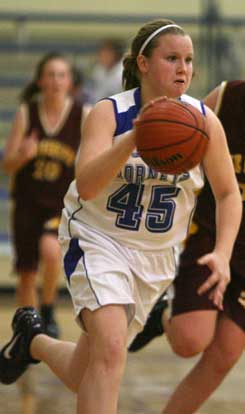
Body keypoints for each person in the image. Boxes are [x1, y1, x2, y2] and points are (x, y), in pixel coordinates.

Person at [0, 20, 242, 414]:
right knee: (111, 352)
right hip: (98, 241)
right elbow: (89, 185)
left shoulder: (202, 121)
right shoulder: (108, 113)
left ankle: (32, 340)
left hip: (155, 259)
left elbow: (229, 194)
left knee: (88, 371)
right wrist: (135, 137)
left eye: (189, 60)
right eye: (172, 58)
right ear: (143, 64)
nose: (184, 69)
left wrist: (222, 254)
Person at [129, 80, 245, 414]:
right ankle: (162, 315)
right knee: (189, 341)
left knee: (226, 351)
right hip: (211, 232)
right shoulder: (226, 98)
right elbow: (183, 136)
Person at [2, 52, 90, 338]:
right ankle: (26, 331)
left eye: (61, 75)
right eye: (50, 75)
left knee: (51, 251)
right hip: (27, 203)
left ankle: (49, 309)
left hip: (61, 204)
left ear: (70, 81)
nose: (55, 81)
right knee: (27, 273)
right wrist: (22, 155)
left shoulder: (82, 114)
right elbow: (6, 166)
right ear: (40, 80)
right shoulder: (27, 112)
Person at [90, 38, 125, 103]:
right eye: (101, 52)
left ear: (116, 54)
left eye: (106, 53)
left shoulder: (124, 71)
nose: (101, 55)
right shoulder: (98, 70)